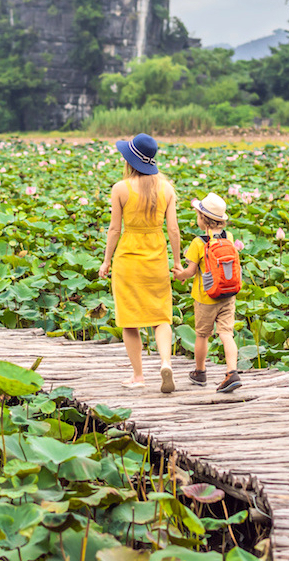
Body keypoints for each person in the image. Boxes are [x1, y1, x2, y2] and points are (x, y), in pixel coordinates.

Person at [99, 133, 182, 392]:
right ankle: (165, 363)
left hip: (128, 258)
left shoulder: (120, 188)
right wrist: (177, 262)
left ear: (130, 160)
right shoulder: (167, 189)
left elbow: (114, 230)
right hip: (156, 257)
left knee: (129, 320)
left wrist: (106, 261)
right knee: (161, 317)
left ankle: (138, 376)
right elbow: (174, 230)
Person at [172, 193, 242, 393]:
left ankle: (200, 372)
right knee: (226, 334)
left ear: (202, 219)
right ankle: (232, 372)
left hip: (206, 298)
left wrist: (180, 275)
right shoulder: (228, 237)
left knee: (202, 335)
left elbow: (191, 271)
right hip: (228, 295)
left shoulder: (198, 242)